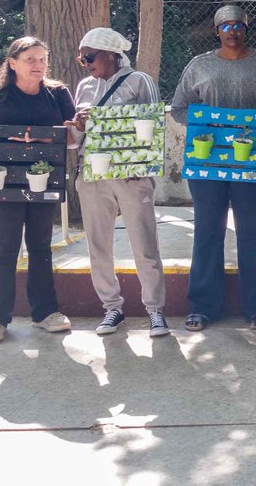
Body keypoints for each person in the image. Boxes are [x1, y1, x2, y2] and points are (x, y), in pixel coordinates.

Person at [170, 6, 256, 332]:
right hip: (208, 162)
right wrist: (202, 119)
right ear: (216, 30)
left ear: (246, 28)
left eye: (238, 25)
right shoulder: (199, 65)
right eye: (226, 26)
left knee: (252, 232)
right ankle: (202, 307)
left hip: (252, 163)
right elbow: (179, 109)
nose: (232, 31)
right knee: (208, 232)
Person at [0, 37, 75, 344]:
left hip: (46, 182)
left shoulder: (58, 93)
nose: (38, 65)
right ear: (12, 62)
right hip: (4, 185)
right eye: (30, 59)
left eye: (43, 59)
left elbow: (72, 138)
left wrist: (41, 142)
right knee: (5, 247)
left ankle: (45, 313)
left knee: (41, 246)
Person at [67, 27, 168, 337]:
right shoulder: (84, 86)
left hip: (131, 175)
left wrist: (143, 165)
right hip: (93, 174)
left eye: (90, 57)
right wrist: (80, 126)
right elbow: (72, 141)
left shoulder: (139, 81)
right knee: (98, 246)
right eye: (82, 58)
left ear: (111, 54)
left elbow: (152, 126)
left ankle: (155, 311)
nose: (85, 63)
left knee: (144, 244)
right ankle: (112, 308)